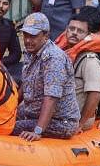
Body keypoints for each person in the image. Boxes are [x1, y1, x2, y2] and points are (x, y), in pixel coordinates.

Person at [13, 13, 80, 141]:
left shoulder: (53, 58)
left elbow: (51, 97)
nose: (27, 40)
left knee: (6, 127)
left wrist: (38, 131)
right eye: (26, 35)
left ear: (46, 35)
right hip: (32, 112)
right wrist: (10, 107)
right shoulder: (30, 52)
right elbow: (25, 84)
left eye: (33, 36)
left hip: (60, 122)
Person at [56, 8, 100, 131]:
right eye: (71, 29)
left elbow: (96, 93)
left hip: (75, 118)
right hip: (61, 112)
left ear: (87, 35)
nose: (74, 33)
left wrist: (80, 123)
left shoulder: (89, 60)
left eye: (80, 31)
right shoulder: (62, 53)